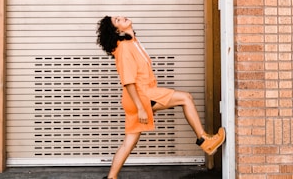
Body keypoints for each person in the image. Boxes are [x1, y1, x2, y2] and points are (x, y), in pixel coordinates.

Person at [96, 16, 226, 179]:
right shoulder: (123, 48)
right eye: (118, 20)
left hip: (142, 95)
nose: (122, 17)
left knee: (129, 142)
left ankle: (111, 177)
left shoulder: (132, 43)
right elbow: (128, 81)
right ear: (117, 30)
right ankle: (205, 140)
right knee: (186, 98)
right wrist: (141, 108)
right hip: (142, 96)